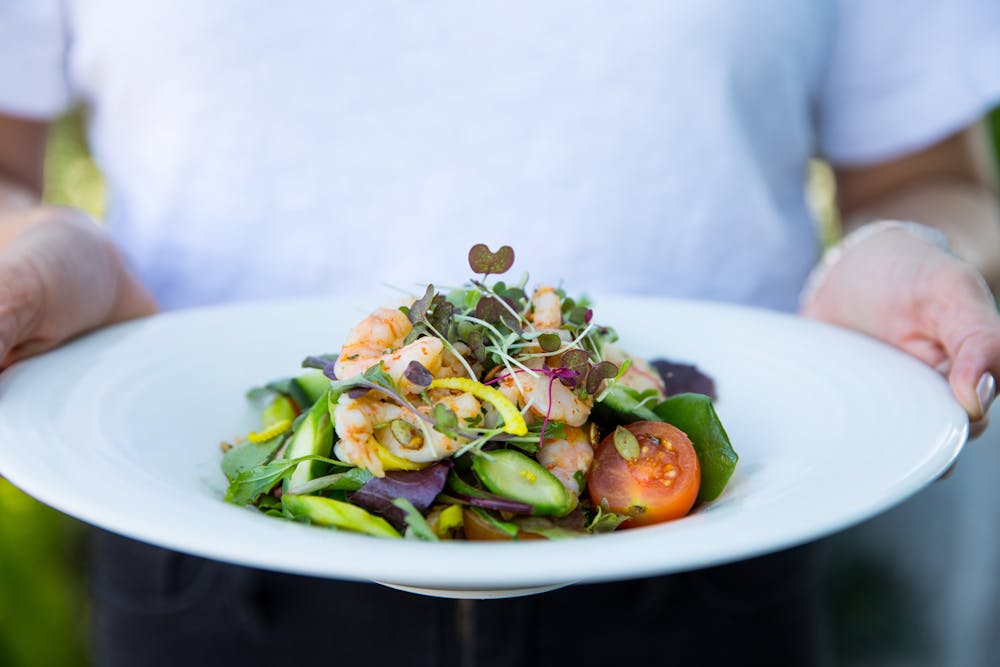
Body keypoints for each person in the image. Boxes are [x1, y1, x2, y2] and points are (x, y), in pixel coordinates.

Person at [1, 1, 999, 665]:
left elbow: (930, 176)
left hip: (701, 573)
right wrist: (35, 251)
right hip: (215, 583)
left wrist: (918, 249)